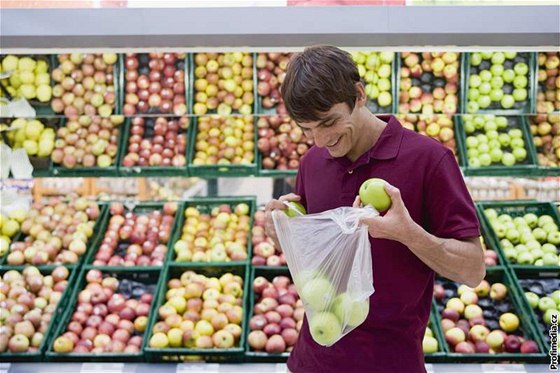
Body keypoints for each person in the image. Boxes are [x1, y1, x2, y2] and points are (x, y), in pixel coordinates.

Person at [264, 46, 485, 373]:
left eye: (328, 122)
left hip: (391, 363)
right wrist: (283, 233)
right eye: (307, 129)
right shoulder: (312, 163)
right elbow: (315, 264)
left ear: (359, 95)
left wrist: (408, 234)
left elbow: (473, 270)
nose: (320, 141)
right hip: (312, 360)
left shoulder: (429, 160)